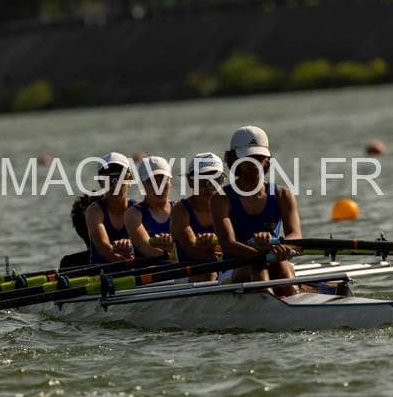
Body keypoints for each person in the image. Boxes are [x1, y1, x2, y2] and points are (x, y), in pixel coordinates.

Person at [210, 126, 301, 297]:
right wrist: (262, 252)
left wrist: (283, 247)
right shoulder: (220, 199)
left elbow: (295, 236)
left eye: (259, 157)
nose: (254, 163)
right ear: (234, 159)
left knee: (281, 266)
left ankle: (294, 300)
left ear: (267, 160)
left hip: (274, 260)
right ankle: (272, 302)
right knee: (258, 267)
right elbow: (228, 244)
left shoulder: (283, 195)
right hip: (234, 268)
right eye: (248, 157)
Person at [171, 153, 224, 281]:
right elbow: (193, 250)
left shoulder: (230, 205)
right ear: (190, 182)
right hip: (190, 273)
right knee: (210, 273)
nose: (210, 187)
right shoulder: (180, 210)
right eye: (203, 181)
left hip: (223, 268)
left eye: (216, 180)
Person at [84, 152, 135, 263]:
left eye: (119, 178)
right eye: (108, 179)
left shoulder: (138, 209)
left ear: (130, 180)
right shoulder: (94, 212)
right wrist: (128, 262)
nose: (114, 184)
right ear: (101, 183)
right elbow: (104, 248)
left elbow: (145, 244)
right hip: (104, 270)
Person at [125, 156, 175, 259]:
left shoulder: (180, 210)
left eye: (163, 180)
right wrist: (174, 251)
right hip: (150, 267)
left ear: (171, 182)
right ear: (142, 185)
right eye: (152, 181)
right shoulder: (133, 214)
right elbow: (148, 250)